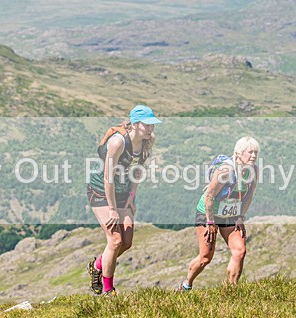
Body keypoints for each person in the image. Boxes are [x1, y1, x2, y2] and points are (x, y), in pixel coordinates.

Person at [87, 105, 161, 297]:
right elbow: (108, 178)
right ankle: (108, 291)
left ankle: (97, 266)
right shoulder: (117, 142)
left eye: (152, 124)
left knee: (126, 242)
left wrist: (131, 197)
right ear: (135, 124)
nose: (151, 128)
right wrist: (112, 209)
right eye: (147, 124)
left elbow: (137, 169)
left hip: (123, 192)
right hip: (101, 191)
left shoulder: (146, 142)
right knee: (115, 241)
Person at [179, 137, 259, 289]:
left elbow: (249, 195)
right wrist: (210, 222)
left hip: (231, 215)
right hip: (209, 213)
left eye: (256, 152)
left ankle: (231, 290)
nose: (254, 156)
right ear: (238, 153)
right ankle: (186, 285)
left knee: (240, 251)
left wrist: (240, 217)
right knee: (205, 257)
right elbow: (209, 196)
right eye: (250, 152)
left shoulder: (254, 171)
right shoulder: (226, 170)